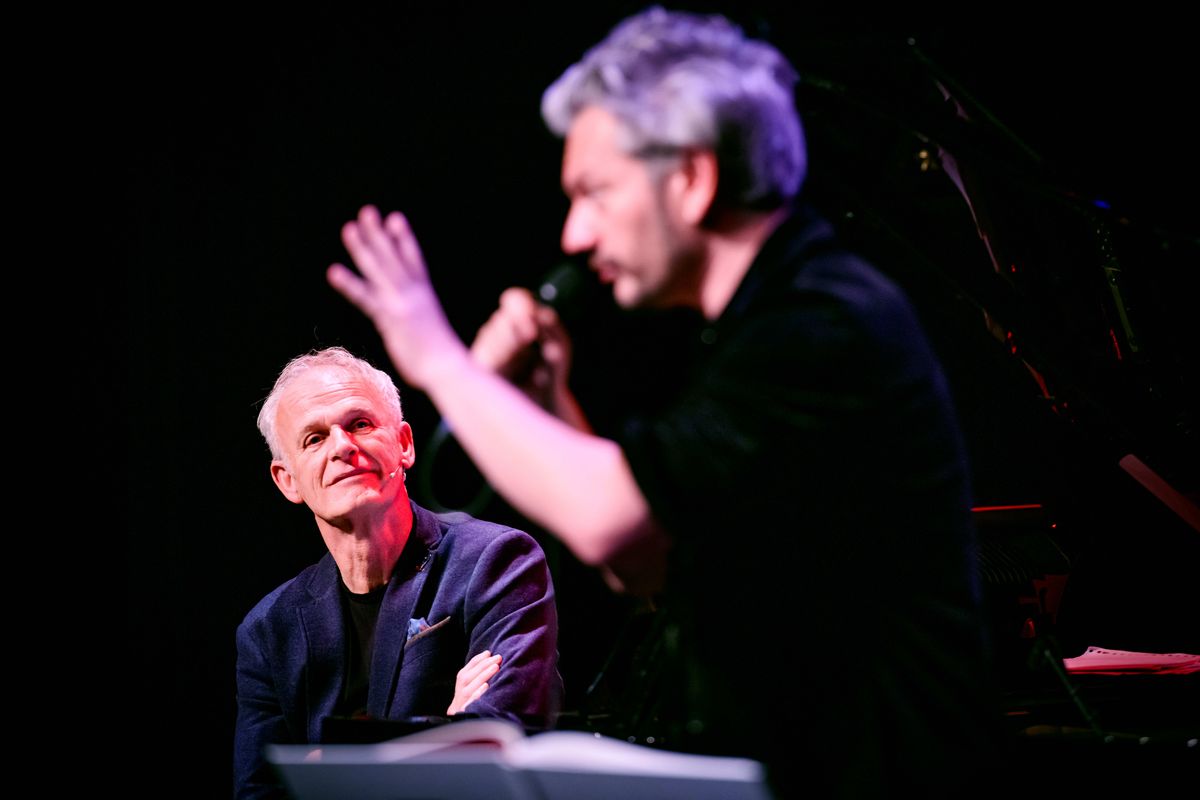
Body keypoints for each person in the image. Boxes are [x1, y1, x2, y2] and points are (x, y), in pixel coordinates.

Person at [326, 7, 1005, 797]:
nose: (575, 235)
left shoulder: (819, 323)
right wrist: (548, 403)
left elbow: (613, 518)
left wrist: (438, 360)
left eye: (594, 192)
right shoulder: (757, 329)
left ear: (690, 179)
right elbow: (650, 560)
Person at [233, 346, 564, 799]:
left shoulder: (496, 562)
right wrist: (444, 732)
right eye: (314, 439)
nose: (342, 446)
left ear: (404, 445)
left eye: (360, 424)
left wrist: (326, 772)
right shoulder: (269, 631)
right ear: (287, 480)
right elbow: (260, 792)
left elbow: (498, 748)